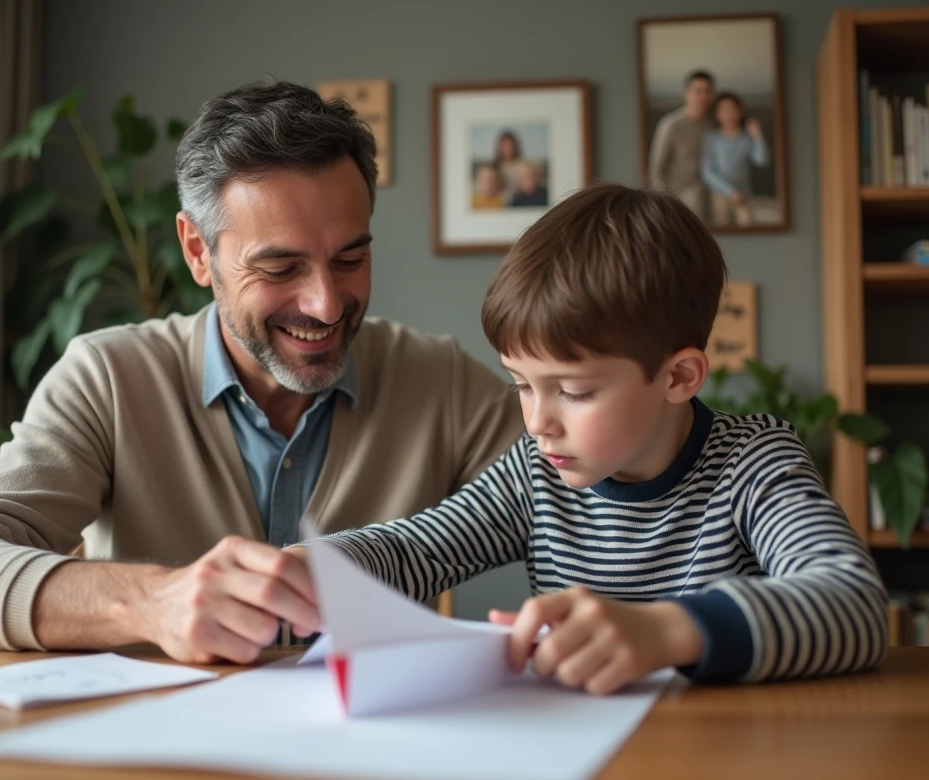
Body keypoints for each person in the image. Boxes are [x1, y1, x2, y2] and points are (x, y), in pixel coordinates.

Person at [0, 81, 524, 665]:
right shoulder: (109, 378)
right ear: (198, 251)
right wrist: (151, 600)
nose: (326, 304)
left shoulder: (438, 380)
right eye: (279, 269)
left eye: (350, 258)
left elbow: (593, 489)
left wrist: (619, 618)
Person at [292, 183, 888, 696]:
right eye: (521, 385)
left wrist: (664, 632)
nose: (537, 422)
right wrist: (309, 572)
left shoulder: (754, 462)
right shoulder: (536, 471)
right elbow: (417, 551)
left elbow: (854, 604)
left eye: (574, 392)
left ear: (677, 377)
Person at [647, 70, 715, 221]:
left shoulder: (713, 125)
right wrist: (664, 202)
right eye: (698, 91)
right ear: (687, 93)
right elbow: (656, 168)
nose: (703, 97)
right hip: (677, 194)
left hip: (708, 192)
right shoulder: (671, 125)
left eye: (707, 91)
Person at [701, 92, 770, 228]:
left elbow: (762, 160)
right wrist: (730, 192)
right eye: (723, 109)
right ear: (716, 114)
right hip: (719, 194)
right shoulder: (711, 138)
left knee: (749, 228)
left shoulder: (746, 138)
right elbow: (707, 171)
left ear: (740, 111)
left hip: (744, 194)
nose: (729, 113)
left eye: (733, 108)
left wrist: (757, 136)